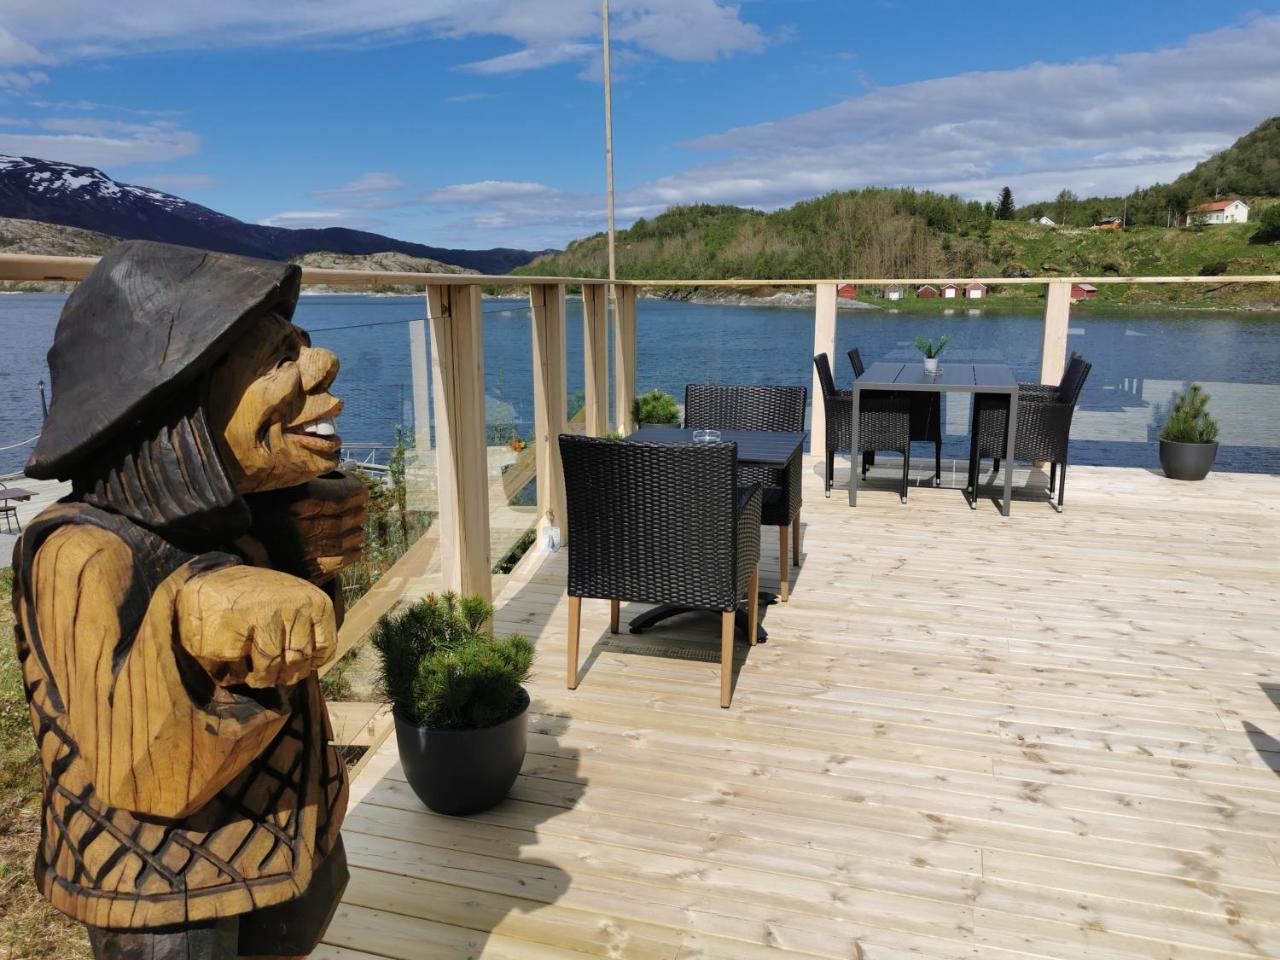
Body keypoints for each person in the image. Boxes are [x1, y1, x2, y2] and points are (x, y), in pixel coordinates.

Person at [12, 240, 368, 959]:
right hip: (160, 883)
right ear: (178, 396)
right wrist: (191, 611)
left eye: (302, 345)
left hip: (286, 828)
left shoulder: (235, 516)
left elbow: (295, 645)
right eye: (279, 358)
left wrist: (303, 562)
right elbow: (141, 771)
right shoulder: (81, 552)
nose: (321, 366)